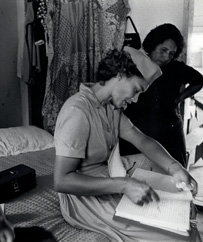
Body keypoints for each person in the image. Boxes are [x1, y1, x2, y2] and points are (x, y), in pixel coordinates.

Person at [54, 47, 197, 242]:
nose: (136, 99)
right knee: (177, 236)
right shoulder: (78, 111)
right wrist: (124, 185)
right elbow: (62, 181)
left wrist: (175, 168)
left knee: (164, 182)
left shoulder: (110, 108)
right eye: (136, 89)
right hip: (82, 197)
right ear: (121, 75)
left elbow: (142, 140)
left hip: (108, 177)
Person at [120, 23, 203, 168]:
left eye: (171, 53)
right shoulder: (135, 65)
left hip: (169, 129)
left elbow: (199, 80)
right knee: (138, 173)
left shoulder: (177, 68)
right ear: (153, 45)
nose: (166, 57)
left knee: (175, 175)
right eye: (163, 50)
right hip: (138, 129)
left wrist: (179, 98)